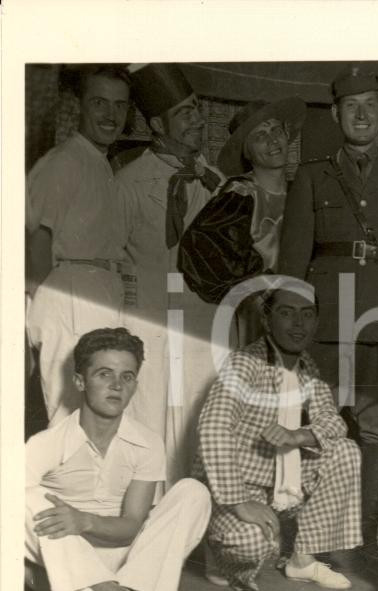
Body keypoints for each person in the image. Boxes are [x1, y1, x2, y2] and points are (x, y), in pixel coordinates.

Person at [278, 67, 378, 542]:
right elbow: (292, 261)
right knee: (321, 424)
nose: (362, 114)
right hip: (325, 320)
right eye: (352, 106)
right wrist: (290, 326)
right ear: (335, 114)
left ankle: (364, 539)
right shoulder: (311, 177)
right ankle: (311, 536)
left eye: (371, 104)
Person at [25, 327, 211, 591]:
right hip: (62, 558)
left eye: (127, 376)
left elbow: (131, 525)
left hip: (130, 560)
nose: (116, 385)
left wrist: (84, 520)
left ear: (135, 385)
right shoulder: (46, 444)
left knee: (194, 492)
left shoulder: (147, 443)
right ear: (80, 381)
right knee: (16, 495)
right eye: (104, 374)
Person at [194, 280, 363, 591]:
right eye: (286, 313)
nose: (298, 324)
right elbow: (213, 427)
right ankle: (217, 545)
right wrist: (239, 501)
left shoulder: (306, 366)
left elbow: (334, 423)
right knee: (245, 547)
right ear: (266, 319)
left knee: (345, 450)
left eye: (307, 314)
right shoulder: (245, 362)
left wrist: (299, 435)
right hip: (242, 487)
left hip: (281, 487)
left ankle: (303, 560)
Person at [117, 63, 223, 484]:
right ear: (157, 124)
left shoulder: (216, 181)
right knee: (151, 435)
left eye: (196, 108)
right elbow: (112, 259)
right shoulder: (128, 183)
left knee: (203, 432)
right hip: (152, 328)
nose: (197, 119)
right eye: (184, 113)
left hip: (205, 330)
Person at [26, 64, 132, 426]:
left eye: (120, 105)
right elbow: (36, 241)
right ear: (79, 107)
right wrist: (36, 312)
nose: (111, 114)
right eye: (100, 102)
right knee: (68, 415)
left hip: (97, 292)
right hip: (69, 295)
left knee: (98, 417)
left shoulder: (100, 164)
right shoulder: (63, 163)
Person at [178, 97, 306, 344]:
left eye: (275, 129)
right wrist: (258, 281)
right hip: (261, 315)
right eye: (260, 136)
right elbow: (200, 251)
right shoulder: (241, 194)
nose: (272, 140)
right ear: (247, 152)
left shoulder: (302, 192)